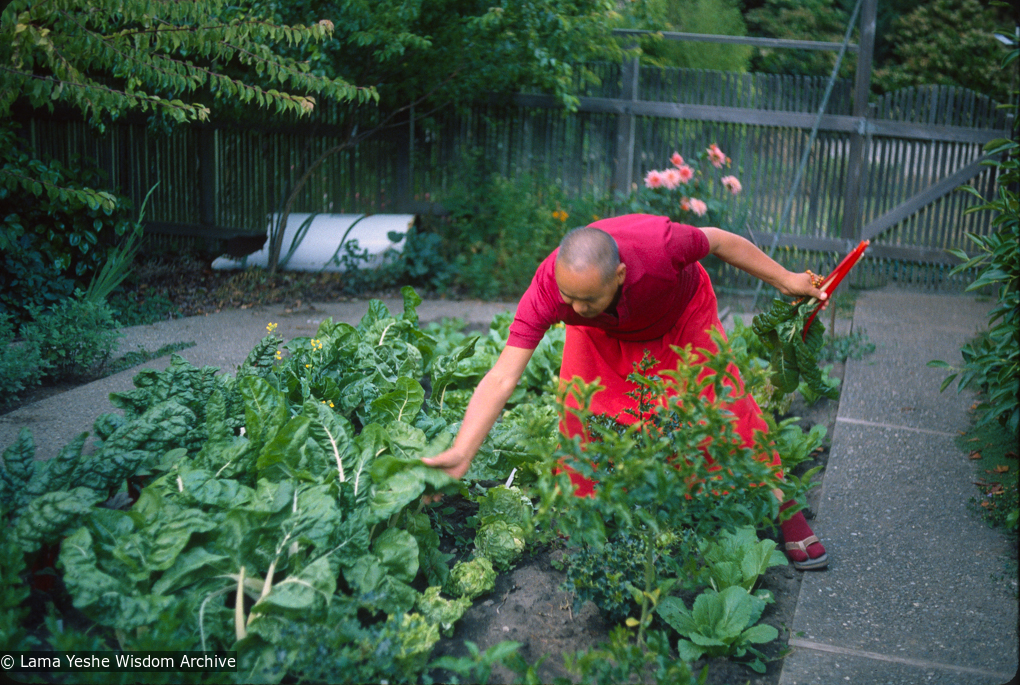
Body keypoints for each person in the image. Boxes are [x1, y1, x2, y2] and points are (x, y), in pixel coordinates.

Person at [423, 213, 829, 570]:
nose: (576, 307)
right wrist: (462, 451)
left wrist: (787, 279)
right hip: (603, 331)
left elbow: (721, 241)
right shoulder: (554, 292)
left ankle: (784, 504)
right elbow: (502, 377)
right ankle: (581, 511)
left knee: (724, 402)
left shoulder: (661, 247)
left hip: (680, 313)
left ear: (619, 275)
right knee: (578, 410)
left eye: (587, 298)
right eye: (569, 298)